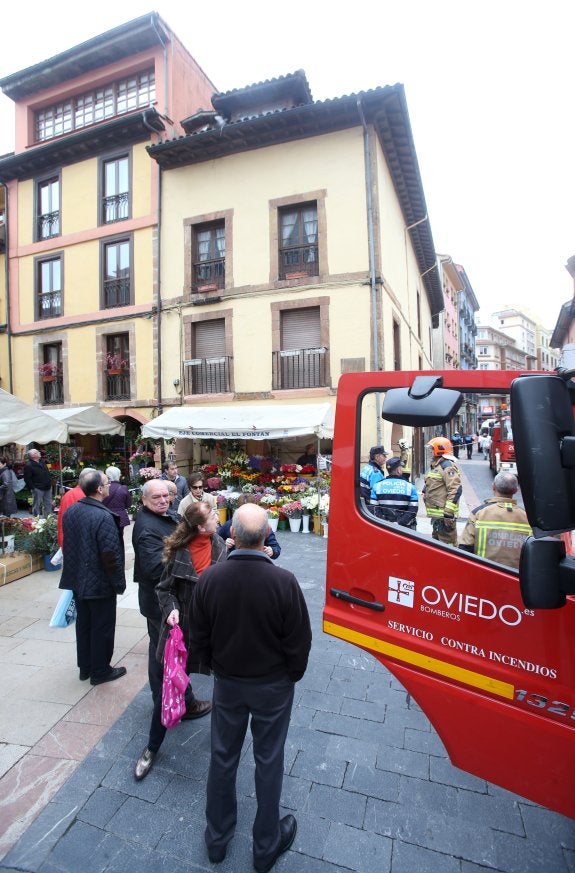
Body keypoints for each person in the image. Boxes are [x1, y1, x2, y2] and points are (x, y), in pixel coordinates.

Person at [190, 503, 312, 870]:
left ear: (232, 537)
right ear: (265, 540)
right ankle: (264, 847)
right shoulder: (284, 581)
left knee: (222, 757)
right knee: (268, 760)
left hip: (228, 683)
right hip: (272, 685)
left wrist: (217, 669)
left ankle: (217, 839)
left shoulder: (211, 578)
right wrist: (290, 675)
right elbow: (299, 642)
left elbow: (199, 636)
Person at [134, 501, 227, 781]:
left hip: (214, 633)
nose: (217, 517)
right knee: (167, 690)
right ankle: (152, 747)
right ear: (200, 526)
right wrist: (170, 608)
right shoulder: (178, 552)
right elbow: (163, 589)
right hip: (182, 633)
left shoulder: (220, 544)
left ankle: (224, 748)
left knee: (225, 687)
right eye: (212, 515)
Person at [132, 479, 211, 719]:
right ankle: (181, 704)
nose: (164, 500)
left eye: (166, 495)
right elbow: (155, 569)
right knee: (169, 655)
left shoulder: (163, 517)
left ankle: (165, 700)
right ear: (144, 500)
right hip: (160, 603)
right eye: (156, 497)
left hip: (159, 602)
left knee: (160, 652)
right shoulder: (148, 527)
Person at [59, 468, 127, 685]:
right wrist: (118, 582)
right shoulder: (103, 516)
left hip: (79, 580)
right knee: (102, 627)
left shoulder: (73, 511)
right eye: (106, 483)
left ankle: (86, 667)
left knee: (85, 624)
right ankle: (100, 670)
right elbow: (110, 555)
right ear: (99, 489)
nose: (109, 486)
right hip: (98, 583)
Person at [459, 472, 531, 570]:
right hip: (516, 578)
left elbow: (464, 547)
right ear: (516, 490)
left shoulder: (479, 513)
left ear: (493, 487)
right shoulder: (527, 517)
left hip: (483, 574)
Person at [423, 437, 462, 546]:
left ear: (439, 450)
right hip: (438, 517)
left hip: (444, 518)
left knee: (447, 547)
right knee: (437, 547)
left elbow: (455, 489)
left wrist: (448, 514)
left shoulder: (447, 467)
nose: (430, 452)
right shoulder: (437, 466)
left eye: (432, 449)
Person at [218, 494, 281, 559]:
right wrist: (224, 544)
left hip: (258, 562)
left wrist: (272, 551)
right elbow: (216, 545)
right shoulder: (228, 525)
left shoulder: (262, 524)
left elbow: (276, 548)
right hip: (235, 562)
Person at [373, 457, 419, 528]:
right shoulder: (410, 487)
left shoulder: (377, 486)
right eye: (401, 467)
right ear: (398, 470)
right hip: (405, 530)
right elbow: (413, 510)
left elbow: (374, 509)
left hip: (383, 528)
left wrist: (386, 524)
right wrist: (399, 524)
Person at [359, 446, 390, 517]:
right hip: (372, 508)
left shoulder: (367, 467)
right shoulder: (376, 473)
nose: (386, 458)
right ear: (377, 457)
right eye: (384, 455)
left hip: (365, 505)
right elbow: (378, 494)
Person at [23, 448, 53, 516]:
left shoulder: (42, 461)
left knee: (48, 503)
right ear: (33, 455)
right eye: (37, 452)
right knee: (36, 504)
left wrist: (49, 481)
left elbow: (47, 472)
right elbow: (27, 479)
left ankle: (47, 519)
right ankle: (36, 520)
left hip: (47, 486)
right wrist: (33, 488)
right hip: (38, 488)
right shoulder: (29, 465)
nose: (39, 452)